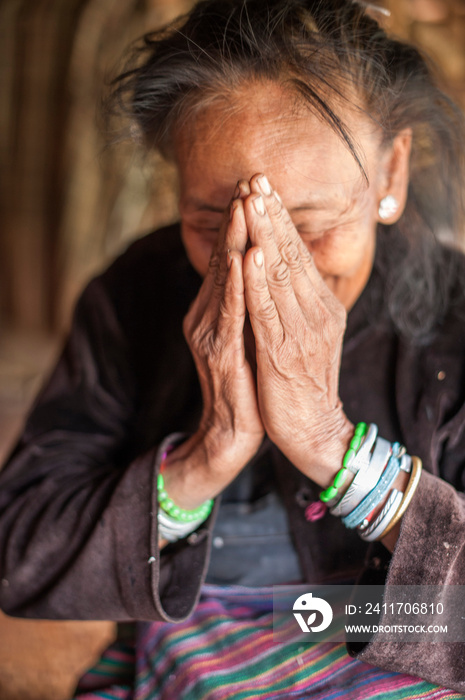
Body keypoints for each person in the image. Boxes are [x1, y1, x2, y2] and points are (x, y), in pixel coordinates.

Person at [1, 0, 465, 697]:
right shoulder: (134, 295)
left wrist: (331, 448)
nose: (259, 264)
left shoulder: (455, 321)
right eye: (209, 220)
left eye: (306, 225)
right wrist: (207, 454)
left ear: (390, 174)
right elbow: (22, 561)